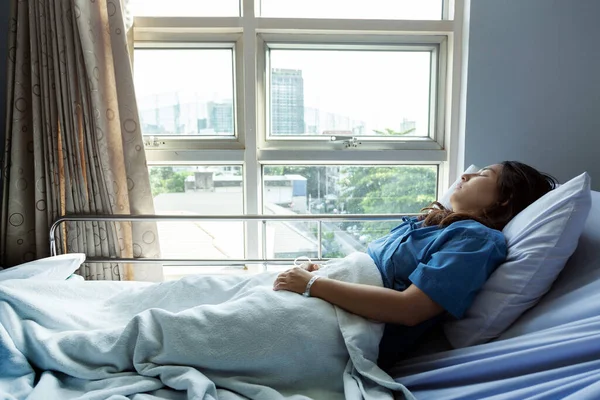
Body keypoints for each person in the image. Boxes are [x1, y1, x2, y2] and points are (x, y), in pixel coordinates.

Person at [273, 161, 557, 368]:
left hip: (350, 331)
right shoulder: (433, 224)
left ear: (504, 198)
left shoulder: (477, 240)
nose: (466, 174)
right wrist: (323, 272)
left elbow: (410, 308)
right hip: (327, 301)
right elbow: (370, 266)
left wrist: (314, 284)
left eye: (483, 174)